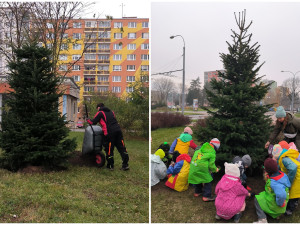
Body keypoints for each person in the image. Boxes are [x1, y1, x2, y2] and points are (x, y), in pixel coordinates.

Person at [87, 103, 129, 171]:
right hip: (118, 131)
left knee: (109, 149)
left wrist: (87, 119)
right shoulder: (111, 112)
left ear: (99, 107)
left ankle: (110, 166)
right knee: (122, 148)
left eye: (97, 109)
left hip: (109, 133)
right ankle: (125, 165)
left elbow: (93, 122)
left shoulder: (100, 113)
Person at [254, 158, 291, 223]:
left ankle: (262, 219)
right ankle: (276, 215)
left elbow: (281, 195)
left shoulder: (274, 183)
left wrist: (280, 204)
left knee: (256, 199)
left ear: (268, 171)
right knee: (262, 194)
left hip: (277, 206)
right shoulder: (283, 175)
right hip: (278, 201)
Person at [272, 144, 300, 216]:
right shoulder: (284, 156)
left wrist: (289, 181)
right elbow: (281, 166)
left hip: (297, 178)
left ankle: (289, 210)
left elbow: (293, 168)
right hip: (297, 177)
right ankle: (295, 202)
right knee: (295, 192)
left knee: (292, 194)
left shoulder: (284, 159)